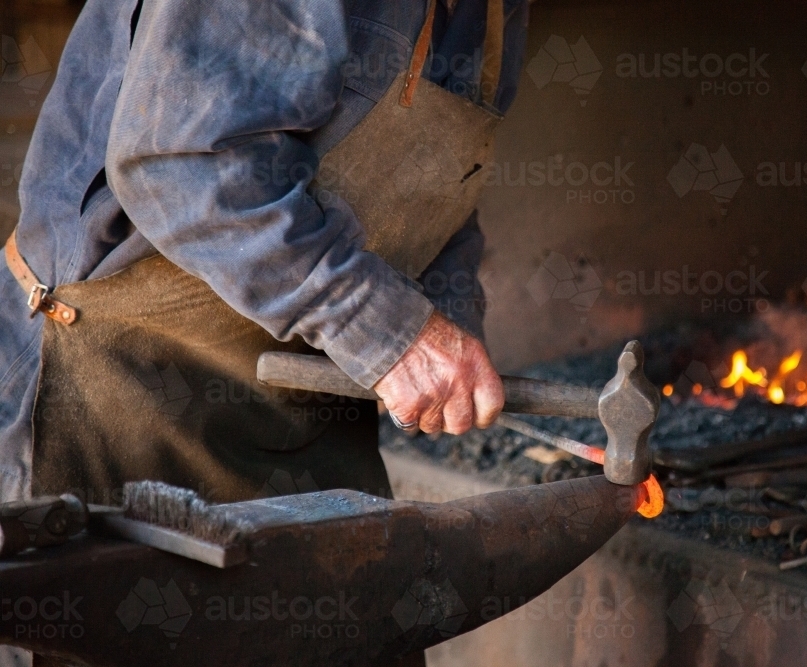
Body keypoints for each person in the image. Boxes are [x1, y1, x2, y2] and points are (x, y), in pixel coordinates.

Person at [1, 0, 528, 662]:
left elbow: (438, 196)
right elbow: (180, 162)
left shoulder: (494, 13)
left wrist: (446, 327)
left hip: (304, 416)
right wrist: (393, 334)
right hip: (126, 393)